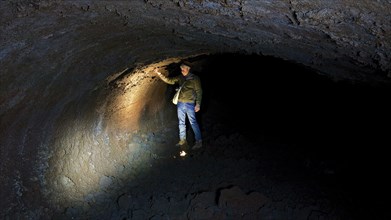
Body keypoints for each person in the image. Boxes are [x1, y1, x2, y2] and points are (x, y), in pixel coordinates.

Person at [154, 63, 203, 155]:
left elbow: (199, 91)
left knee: (193, 122)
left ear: (188, 69)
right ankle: (182, 140)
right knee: (181, 122)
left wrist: (198, 104)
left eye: (183, 68)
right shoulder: (180, 77)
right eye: (181, 68)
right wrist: (159, 74)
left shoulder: (195, 78)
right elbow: (169, 80)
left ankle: (198, 141)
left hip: (190, 103)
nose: (182, 70)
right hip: (180, 103)